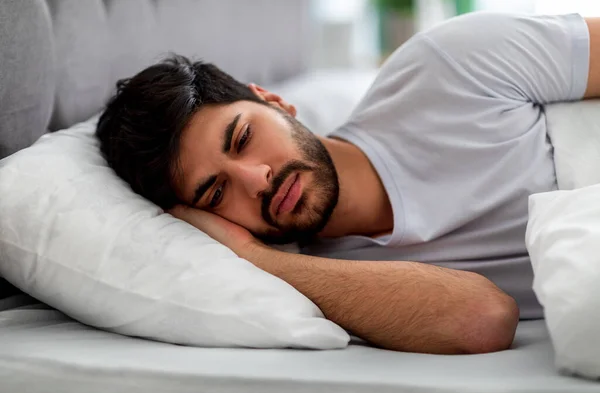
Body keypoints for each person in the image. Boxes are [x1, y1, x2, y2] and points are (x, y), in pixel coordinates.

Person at [96, 12, 600, 355]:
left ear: (273, 100)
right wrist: (255, 260)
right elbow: (484, 318)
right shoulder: (333, 284)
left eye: (244, 137)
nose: (256, 180)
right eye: (216, 193)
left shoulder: (450, 65)